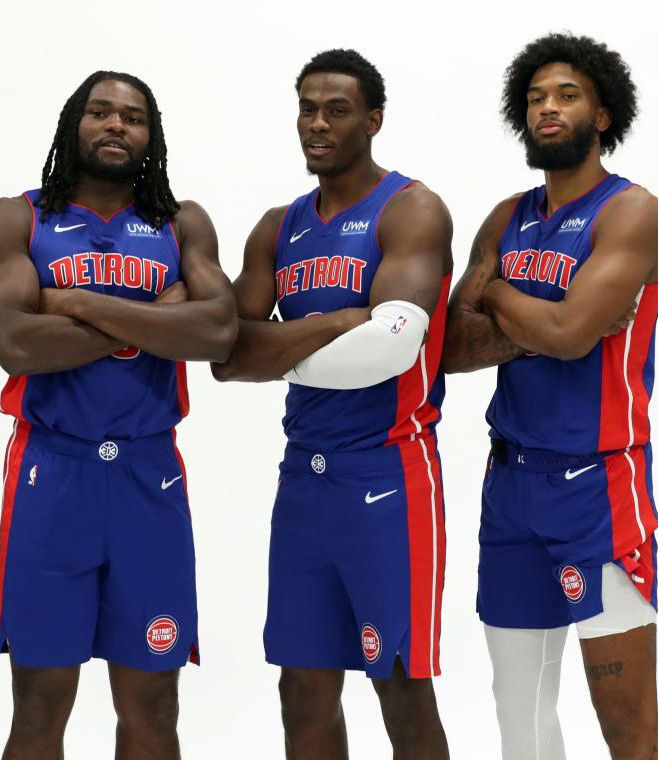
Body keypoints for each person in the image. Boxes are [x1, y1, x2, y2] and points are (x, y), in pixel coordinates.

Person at [0, 70, 237, 760]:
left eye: (132, 117)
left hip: (147, 477)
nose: (116, 125)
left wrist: (79, 303)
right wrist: (158, 317)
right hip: (50, 472)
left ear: (152, 138)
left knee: (152, 706)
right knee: (38, 705)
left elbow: (217, 333)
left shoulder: (181, 224)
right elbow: (17, 345)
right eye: (99, 112)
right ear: (73, 125)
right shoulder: (16, 218)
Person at [213, 49, 453, 759]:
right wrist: (337, 322)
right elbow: (225, 358)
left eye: (336, 110)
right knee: (303, 687)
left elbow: (391, 347)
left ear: (371, 120)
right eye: (307, 109)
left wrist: (278, 349)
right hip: (303, 478)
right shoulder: (277, 226)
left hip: (388, 473)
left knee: (400, 684)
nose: (316, 124)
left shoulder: (410, 208)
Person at [442, 32, 658, 760]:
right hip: (508, 483)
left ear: (601, 114)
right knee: (519, 717)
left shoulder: (632, 212)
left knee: (625, 726)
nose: (548, 108)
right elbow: (447, 347)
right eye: (536, 97)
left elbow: (573, 334)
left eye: (566, 95)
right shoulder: (505, 217)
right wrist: (547, 315)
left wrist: (499, 292)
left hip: (597, 485)